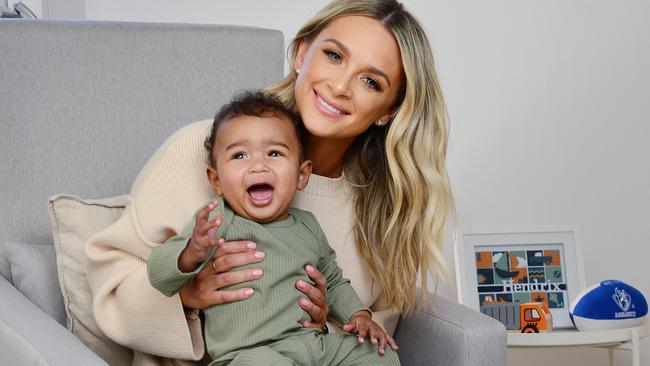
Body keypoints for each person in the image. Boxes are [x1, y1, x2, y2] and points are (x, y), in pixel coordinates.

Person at [85, 0, 453, 365]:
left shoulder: (382, 210)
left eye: (371, 81)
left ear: (389, 110)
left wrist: (332, 322)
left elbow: (373, 335)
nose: (340, 85)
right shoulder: (203, 153)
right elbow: (111, 290)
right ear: (301, 54)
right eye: (334, 56)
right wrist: (187, 297)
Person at [147, 91, 399, 365]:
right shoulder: (217, 221)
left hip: (314, 346)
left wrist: (358, 315)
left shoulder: (307, 225)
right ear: (216, 180)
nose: (258, 165)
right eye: (240, 155)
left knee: (377, 354)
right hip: (250, 355)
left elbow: (333, 280)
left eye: (274, 153)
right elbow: (158, 275)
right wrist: (190, 254)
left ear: (302, 174)